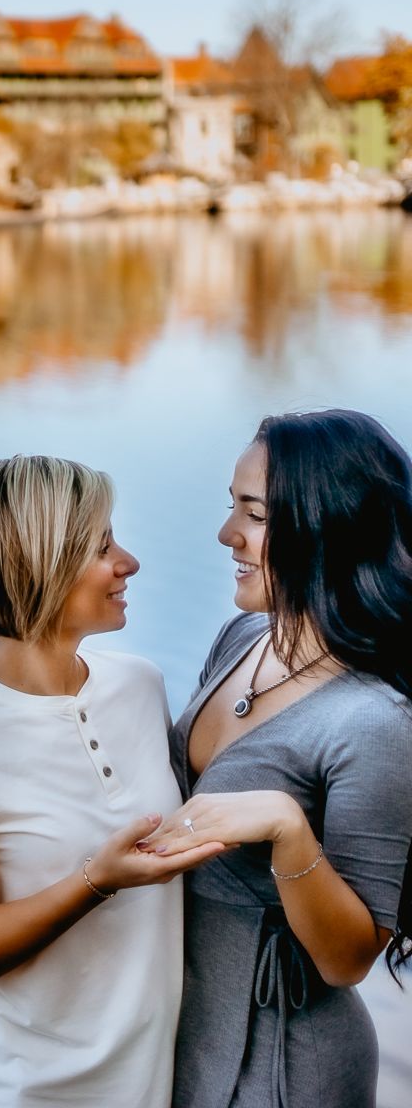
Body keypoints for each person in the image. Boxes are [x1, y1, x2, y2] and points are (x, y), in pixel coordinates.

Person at [0, 456, 221, 1108]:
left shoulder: (139, 684)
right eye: (102, 547)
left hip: (148, 1086)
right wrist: (96, 881)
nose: (129, 562)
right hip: (20, 1090)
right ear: (38, 567)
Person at [147, 410, 412, 1108]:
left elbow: (347, 959)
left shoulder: (374, 721)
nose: (226, 534)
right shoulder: (242, 637)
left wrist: (288, 829)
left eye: (256, 515)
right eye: (231, 506)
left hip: (282, 1061)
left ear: (329, 526)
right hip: (179, 1025)